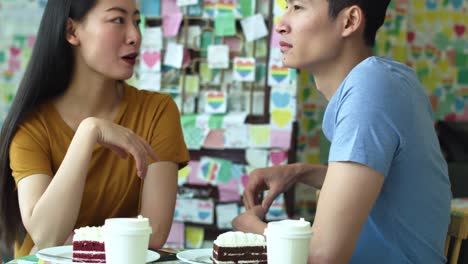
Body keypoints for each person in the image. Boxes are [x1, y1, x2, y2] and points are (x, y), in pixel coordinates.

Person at [233, 0, 452, 263]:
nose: (280, 25)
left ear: (349, 21)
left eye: (298, 7)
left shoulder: (370, 89)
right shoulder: (393, 78)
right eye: (286, 7)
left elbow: (322, 256)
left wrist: (250, 228)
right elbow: (380, 182)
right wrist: (298, 171)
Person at [0, 0, 189, 258]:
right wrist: (89, 133)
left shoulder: (158, 111)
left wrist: (69, 243)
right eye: (118, 20)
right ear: (72, 31)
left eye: (137, 21)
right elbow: (47, 235)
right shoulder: (32, 126)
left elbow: (153, 234)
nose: (135, 36)